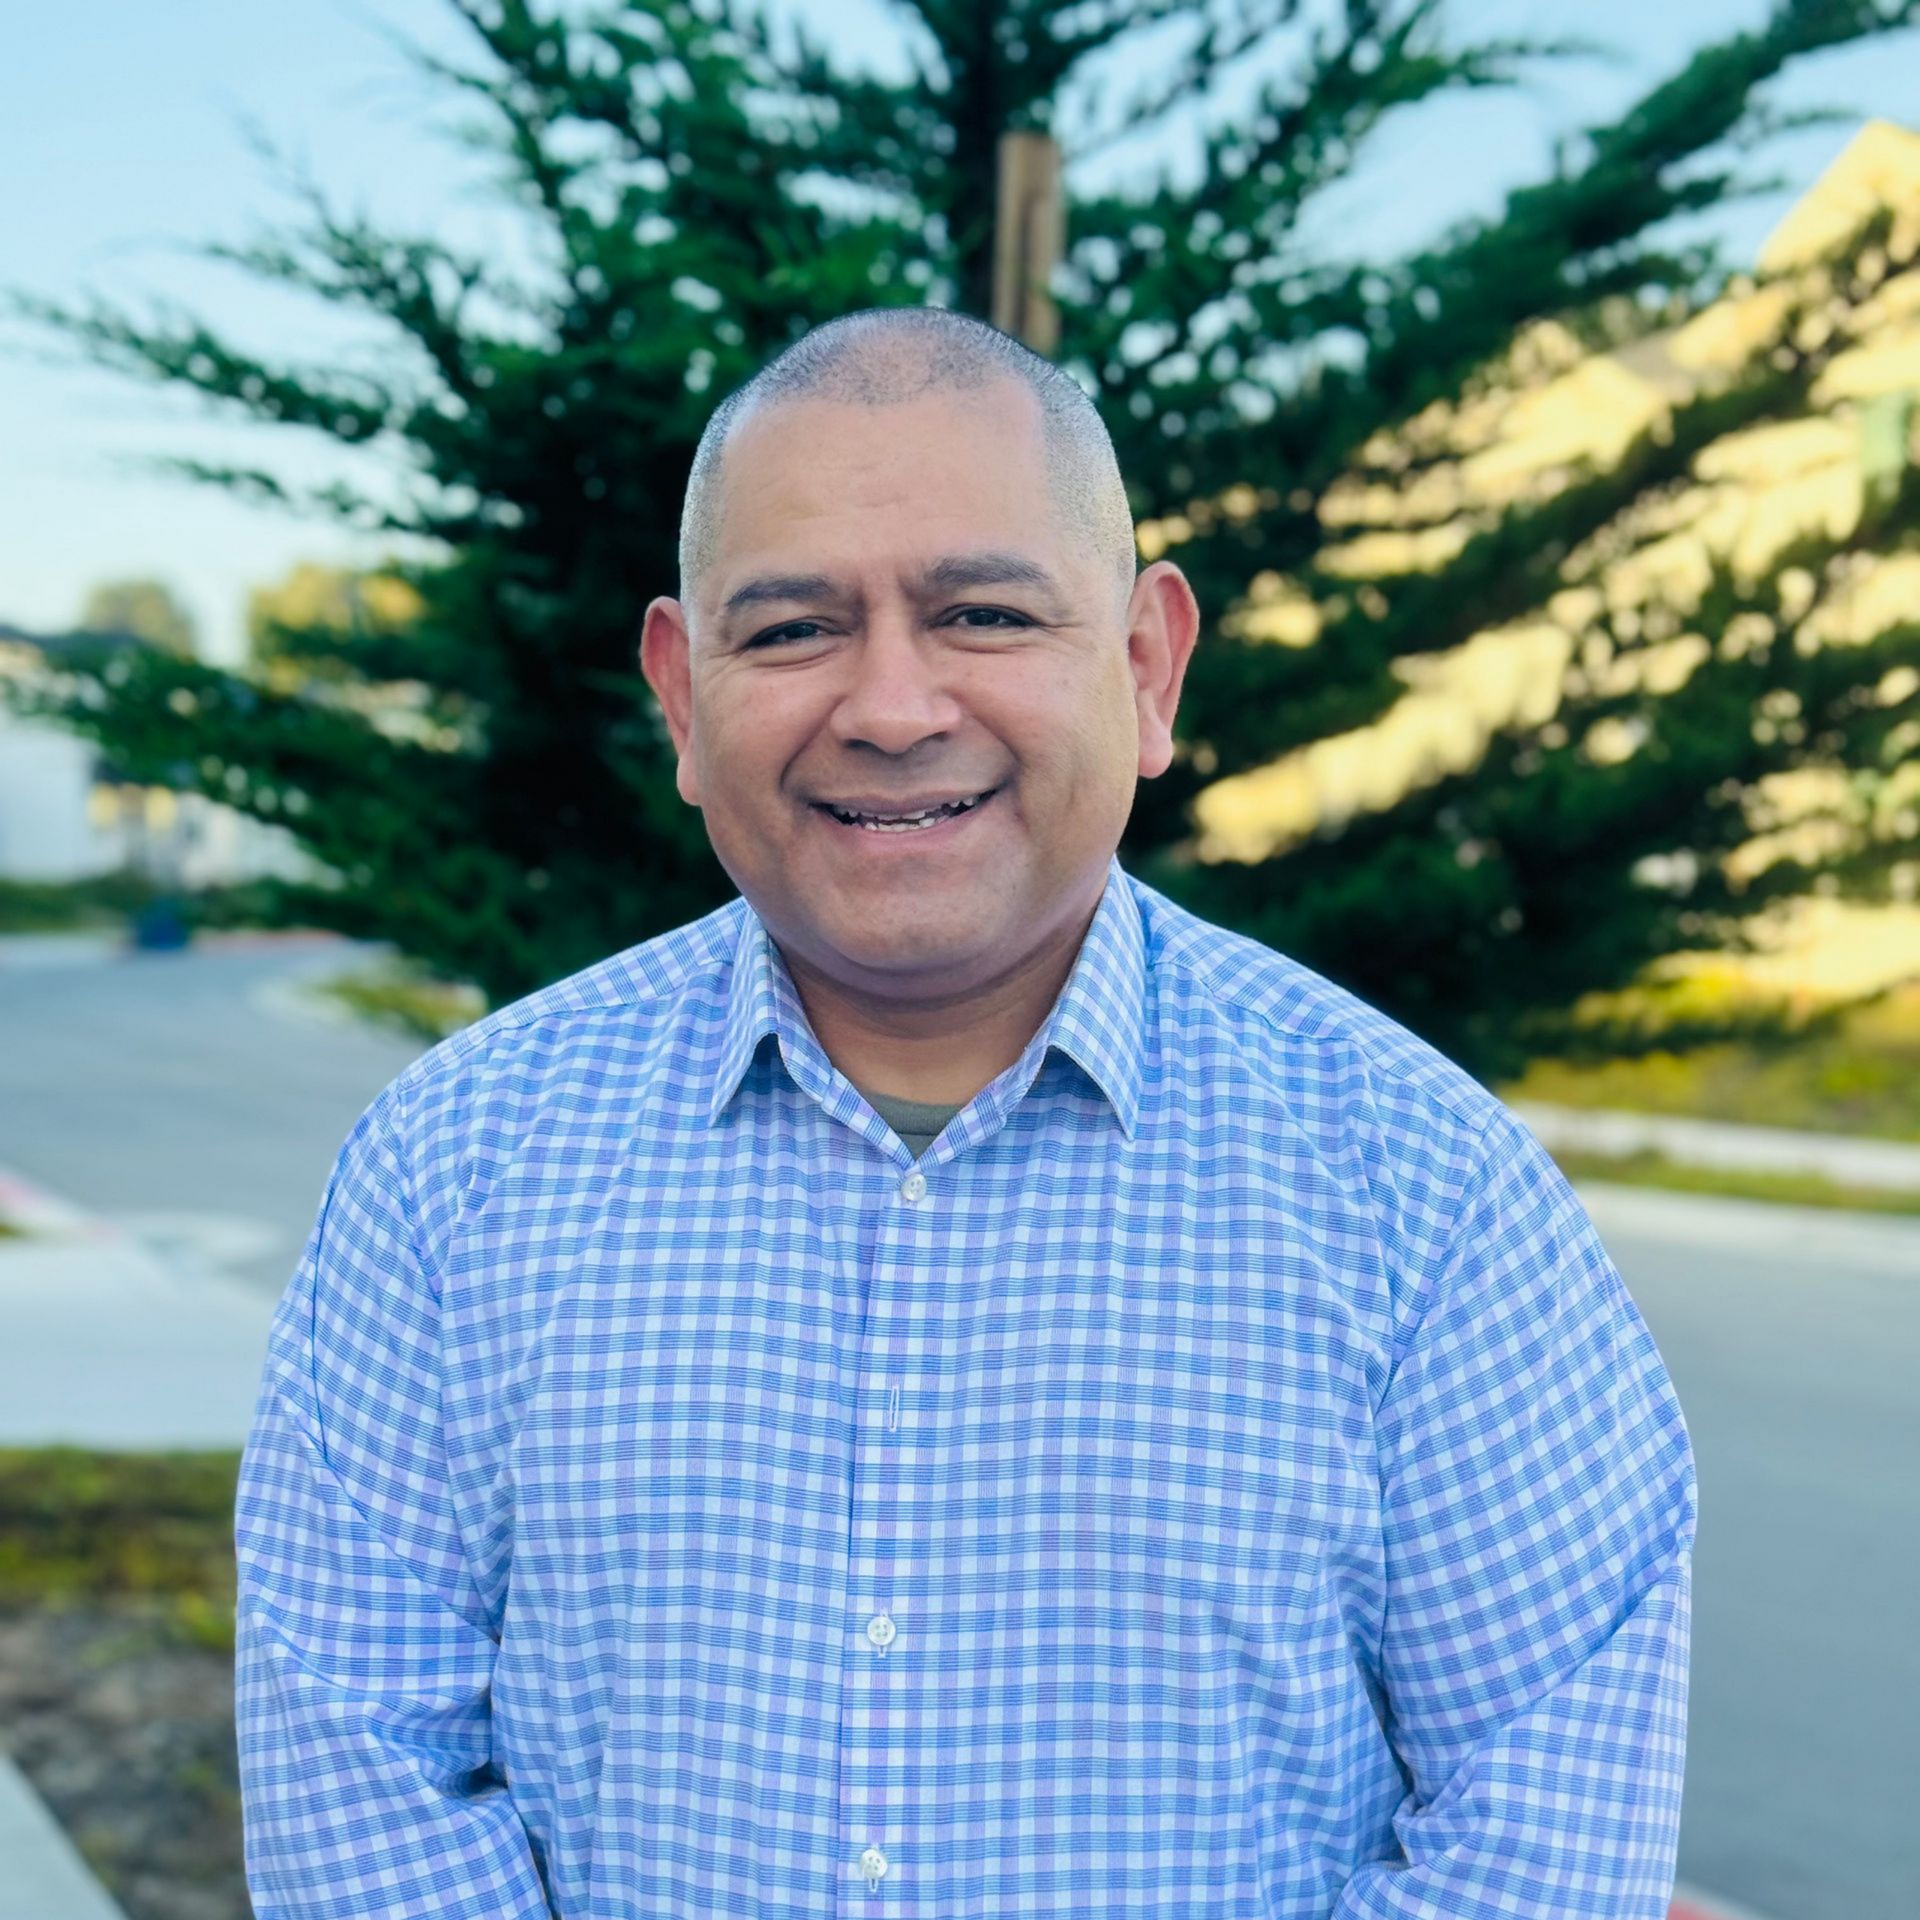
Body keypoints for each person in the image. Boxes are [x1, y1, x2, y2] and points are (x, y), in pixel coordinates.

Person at [234, 307, 1696, 1918]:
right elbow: (362, 1788)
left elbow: (1537, 1846)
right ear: (681, 696)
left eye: (984, 612)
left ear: (1146, 666)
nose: (891, 705)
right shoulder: (453, 1175)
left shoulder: (1429, 1198)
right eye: (790, 631)